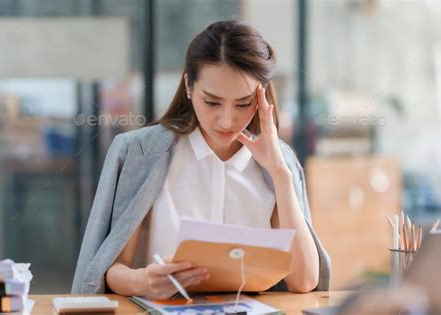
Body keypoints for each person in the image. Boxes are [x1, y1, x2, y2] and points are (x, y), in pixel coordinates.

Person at [71, 20, 330, 299]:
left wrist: (280, 173)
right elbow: (111, 270)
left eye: (243, 104)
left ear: (262, 98)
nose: (228, 120)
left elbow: (303, 281)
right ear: (189, 86)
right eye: (212, 102)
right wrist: (142, 282)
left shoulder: (278, 164)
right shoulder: (141, 153)